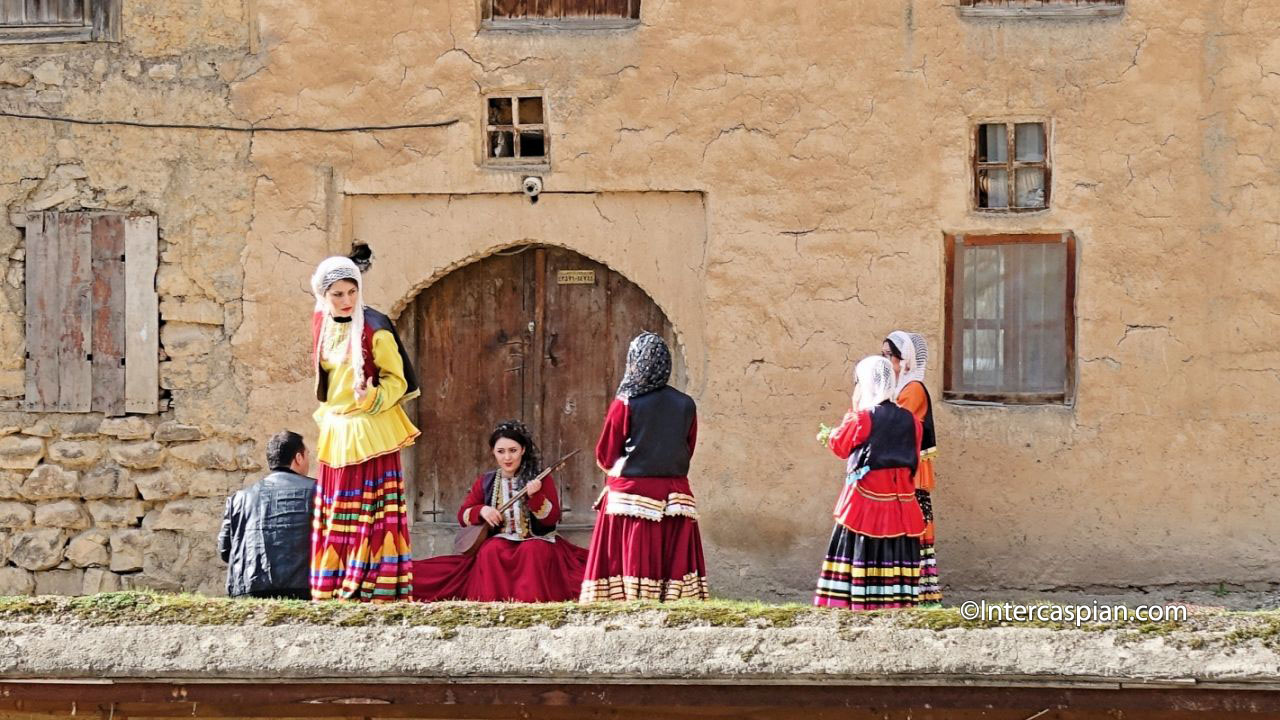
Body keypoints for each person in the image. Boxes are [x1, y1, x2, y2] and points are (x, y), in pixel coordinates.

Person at [308, 256, 419, 602]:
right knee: (339, 507)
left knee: (372, 511)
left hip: (371, 426)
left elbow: (397, 382)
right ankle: (335, 583)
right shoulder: (320, 323)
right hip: (337, 427)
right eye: (337, 294)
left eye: (352, 292)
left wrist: (371, 395)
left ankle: (375, 584)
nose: (346, 301)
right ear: (323, 296)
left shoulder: (375, 327)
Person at [579, 331, 708, 602]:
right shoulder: (686, 404)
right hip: (676, 495)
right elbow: (688, 447)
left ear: (634, 361)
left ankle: (629, 597)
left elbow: (605, 456)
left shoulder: (625, 402)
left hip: (631, 495)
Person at [411, 420, 588, 602]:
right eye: (501, 452)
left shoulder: (540, 479)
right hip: (501, 539)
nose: (507, 458)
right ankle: (495, 603)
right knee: (490, 550)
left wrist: (536, 497)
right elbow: (463, 515)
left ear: (523, 450)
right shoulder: (487, 481)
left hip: (536, 539)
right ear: (493, 453)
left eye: (513, 451)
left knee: (533, 551)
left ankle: (531, 601)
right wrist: (482, 510)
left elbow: (551, 520)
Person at [814, 355, 925, 610]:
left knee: (857, 550)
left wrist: (837, 428)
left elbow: (840, 446)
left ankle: (855, 602)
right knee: (895, 553)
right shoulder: (913, 422)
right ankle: (894, 603)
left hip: (865, 501)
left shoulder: (862, 418)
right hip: (900, 502)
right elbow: (914, 459)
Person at [218, 431, 315, 600]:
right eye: (307, 455)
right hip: (305, 589)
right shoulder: (318, 492)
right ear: (299, 458)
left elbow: (225, 551)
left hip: (247, 589)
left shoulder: (239, 498)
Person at [884, 331, 941, 607]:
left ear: (904, 359)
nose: (886, 363)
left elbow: (897, 424)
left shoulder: (913, 389)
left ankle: (918, 593)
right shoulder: (900, 388)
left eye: (888, 356)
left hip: (912, 473)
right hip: (903, 468)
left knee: (912, 527)